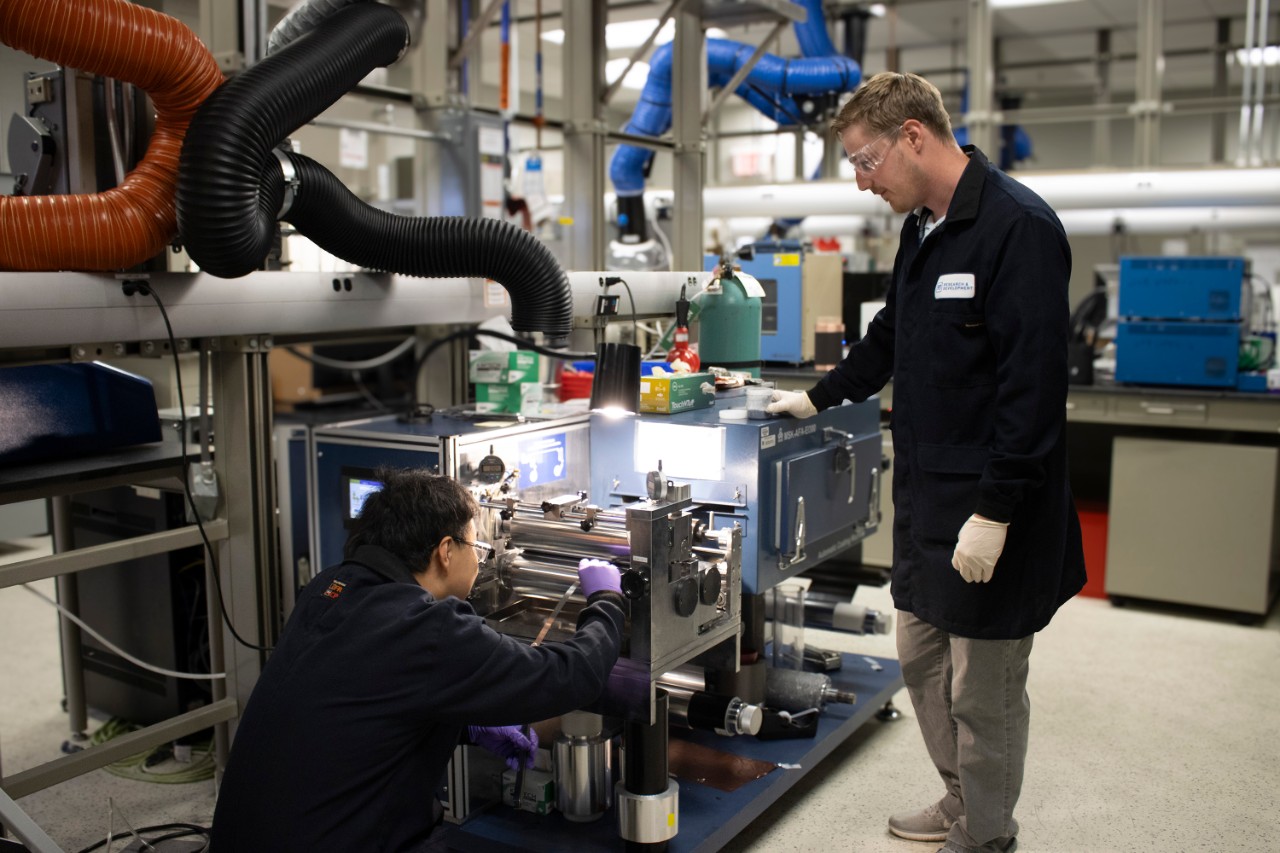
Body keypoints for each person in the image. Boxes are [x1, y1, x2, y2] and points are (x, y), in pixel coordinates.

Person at [767, 72, 1085, 853]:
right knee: (921, 662)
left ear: (914, 135)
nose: (860, 179)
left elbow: (1034, 390)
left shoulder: (1018, 228)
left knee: (985, 691)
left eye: (865, 160)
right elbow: (889, 343)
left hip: (991, 512)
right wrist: (820, 397)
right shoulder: (921, 230)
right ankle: (959, 800)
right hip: (929, 502)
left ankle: (985, 832)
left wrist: (998, 510)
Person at [211, 468, 625, 852]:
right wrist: (606, 601)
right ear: (446, 550)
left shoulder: (330, 587)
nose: (481, 561)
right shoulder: (425, 628)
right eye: (478, 546)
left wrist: (465, 724)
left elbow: (362, 704)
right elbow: (569, 676)